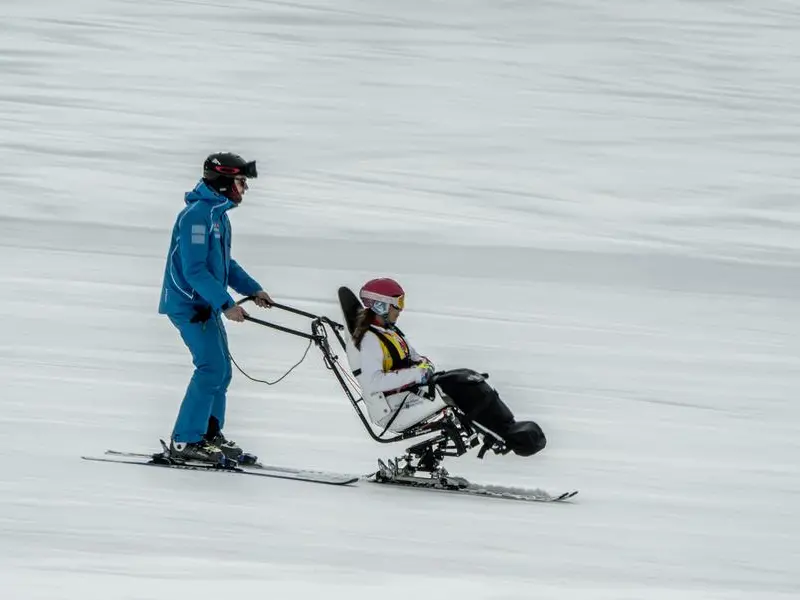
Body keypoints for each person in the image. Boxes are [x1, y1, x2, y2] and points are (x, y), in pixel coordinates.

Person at [158, 152, 273, 463]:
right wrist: (225, 304)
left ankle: (209, 435)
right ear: (223, 183)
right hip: (190, 306)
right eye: (240, 182)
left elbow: (224, 265)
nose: (244, 189)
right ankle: (185, 440)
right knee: (210, 369)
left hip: (206, 305)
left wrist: (253, 289)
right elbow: (193, 270)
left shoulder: (218, 216)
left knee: (221, 373)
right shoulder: (197, 216)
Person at [345, 278, 446, 433]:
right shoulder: (370, 340)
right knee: (456, 389)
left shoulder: (391, 332)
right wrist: (417, 374)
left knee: (459, 381)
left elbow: (416, 357)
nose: (400, 310)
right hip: (392, 408)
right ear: (381, 305)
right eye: (398, 303)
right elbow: (375, 382)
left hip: (408, 395)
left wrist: (425, 368)